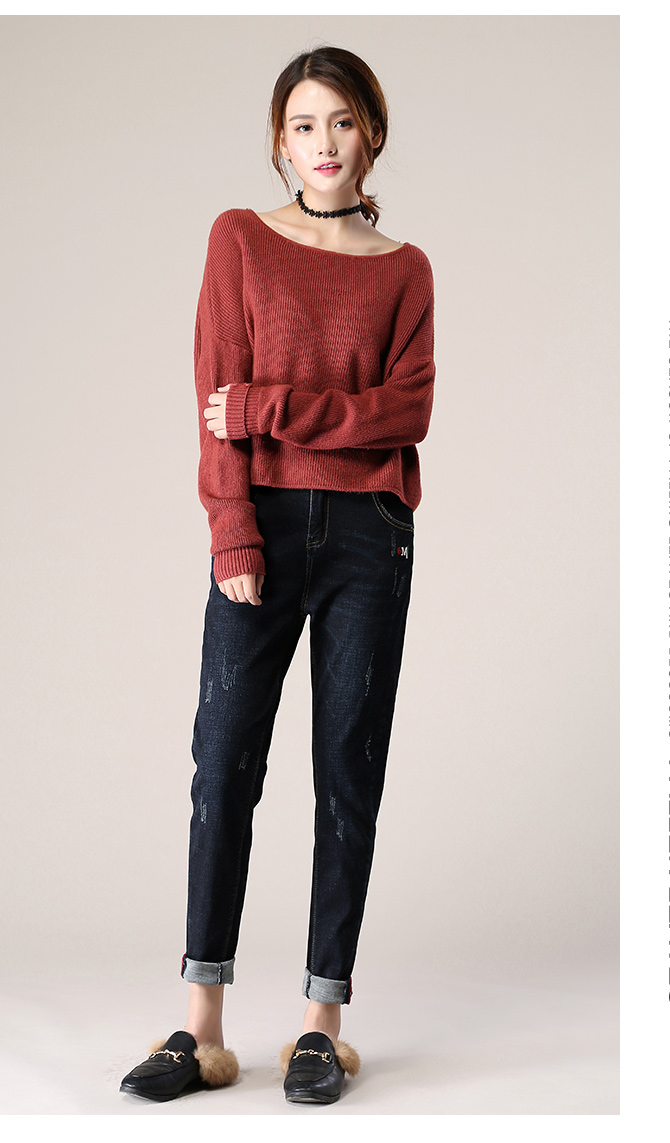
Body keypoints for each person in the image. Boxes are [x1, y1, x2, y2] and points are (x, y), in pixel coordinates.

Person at [120, 44, 435, 1106]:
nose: (324, 144)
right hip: (260, 521)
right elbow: (212, 395)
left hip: (369, 537)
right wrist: (232, 534)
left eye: (342, 121)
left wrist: (271, 409)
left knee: (348, 772)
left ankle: (320, 1025)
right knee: (224, 766)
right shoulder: (240, 240)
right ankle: (200, 1026)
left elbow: (406, 413)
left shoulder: (404, 269)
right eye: (304, 125)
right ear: (279, 142)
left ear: (372, 133)